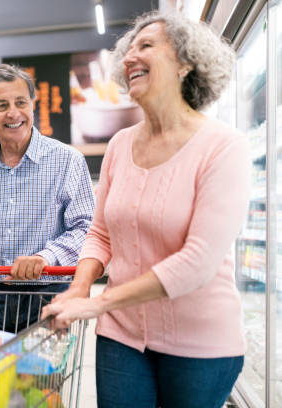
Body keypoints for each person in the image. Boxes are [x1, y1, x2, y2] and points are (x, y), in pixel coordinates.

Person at [41, 12, 249, 408]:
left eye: (146, 46)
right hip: (122, 335)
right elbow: (100, 233)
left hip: (201, 344)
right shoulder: (119, 144)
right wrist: (80, 286)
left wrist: (97, 303)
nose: (129, 57)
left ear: (186, 62)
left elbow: (198, 261)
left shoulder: (224, 147)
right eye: (128, 50)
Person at [0, 64, 95, 332]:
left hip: (48, 294)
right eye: (1, 105)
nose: (13, 113)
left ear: (32, 104)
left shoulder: (68, 161)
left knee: (42, 374)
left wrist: (44, 257)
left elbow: (86, 230)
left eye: (21, 102)